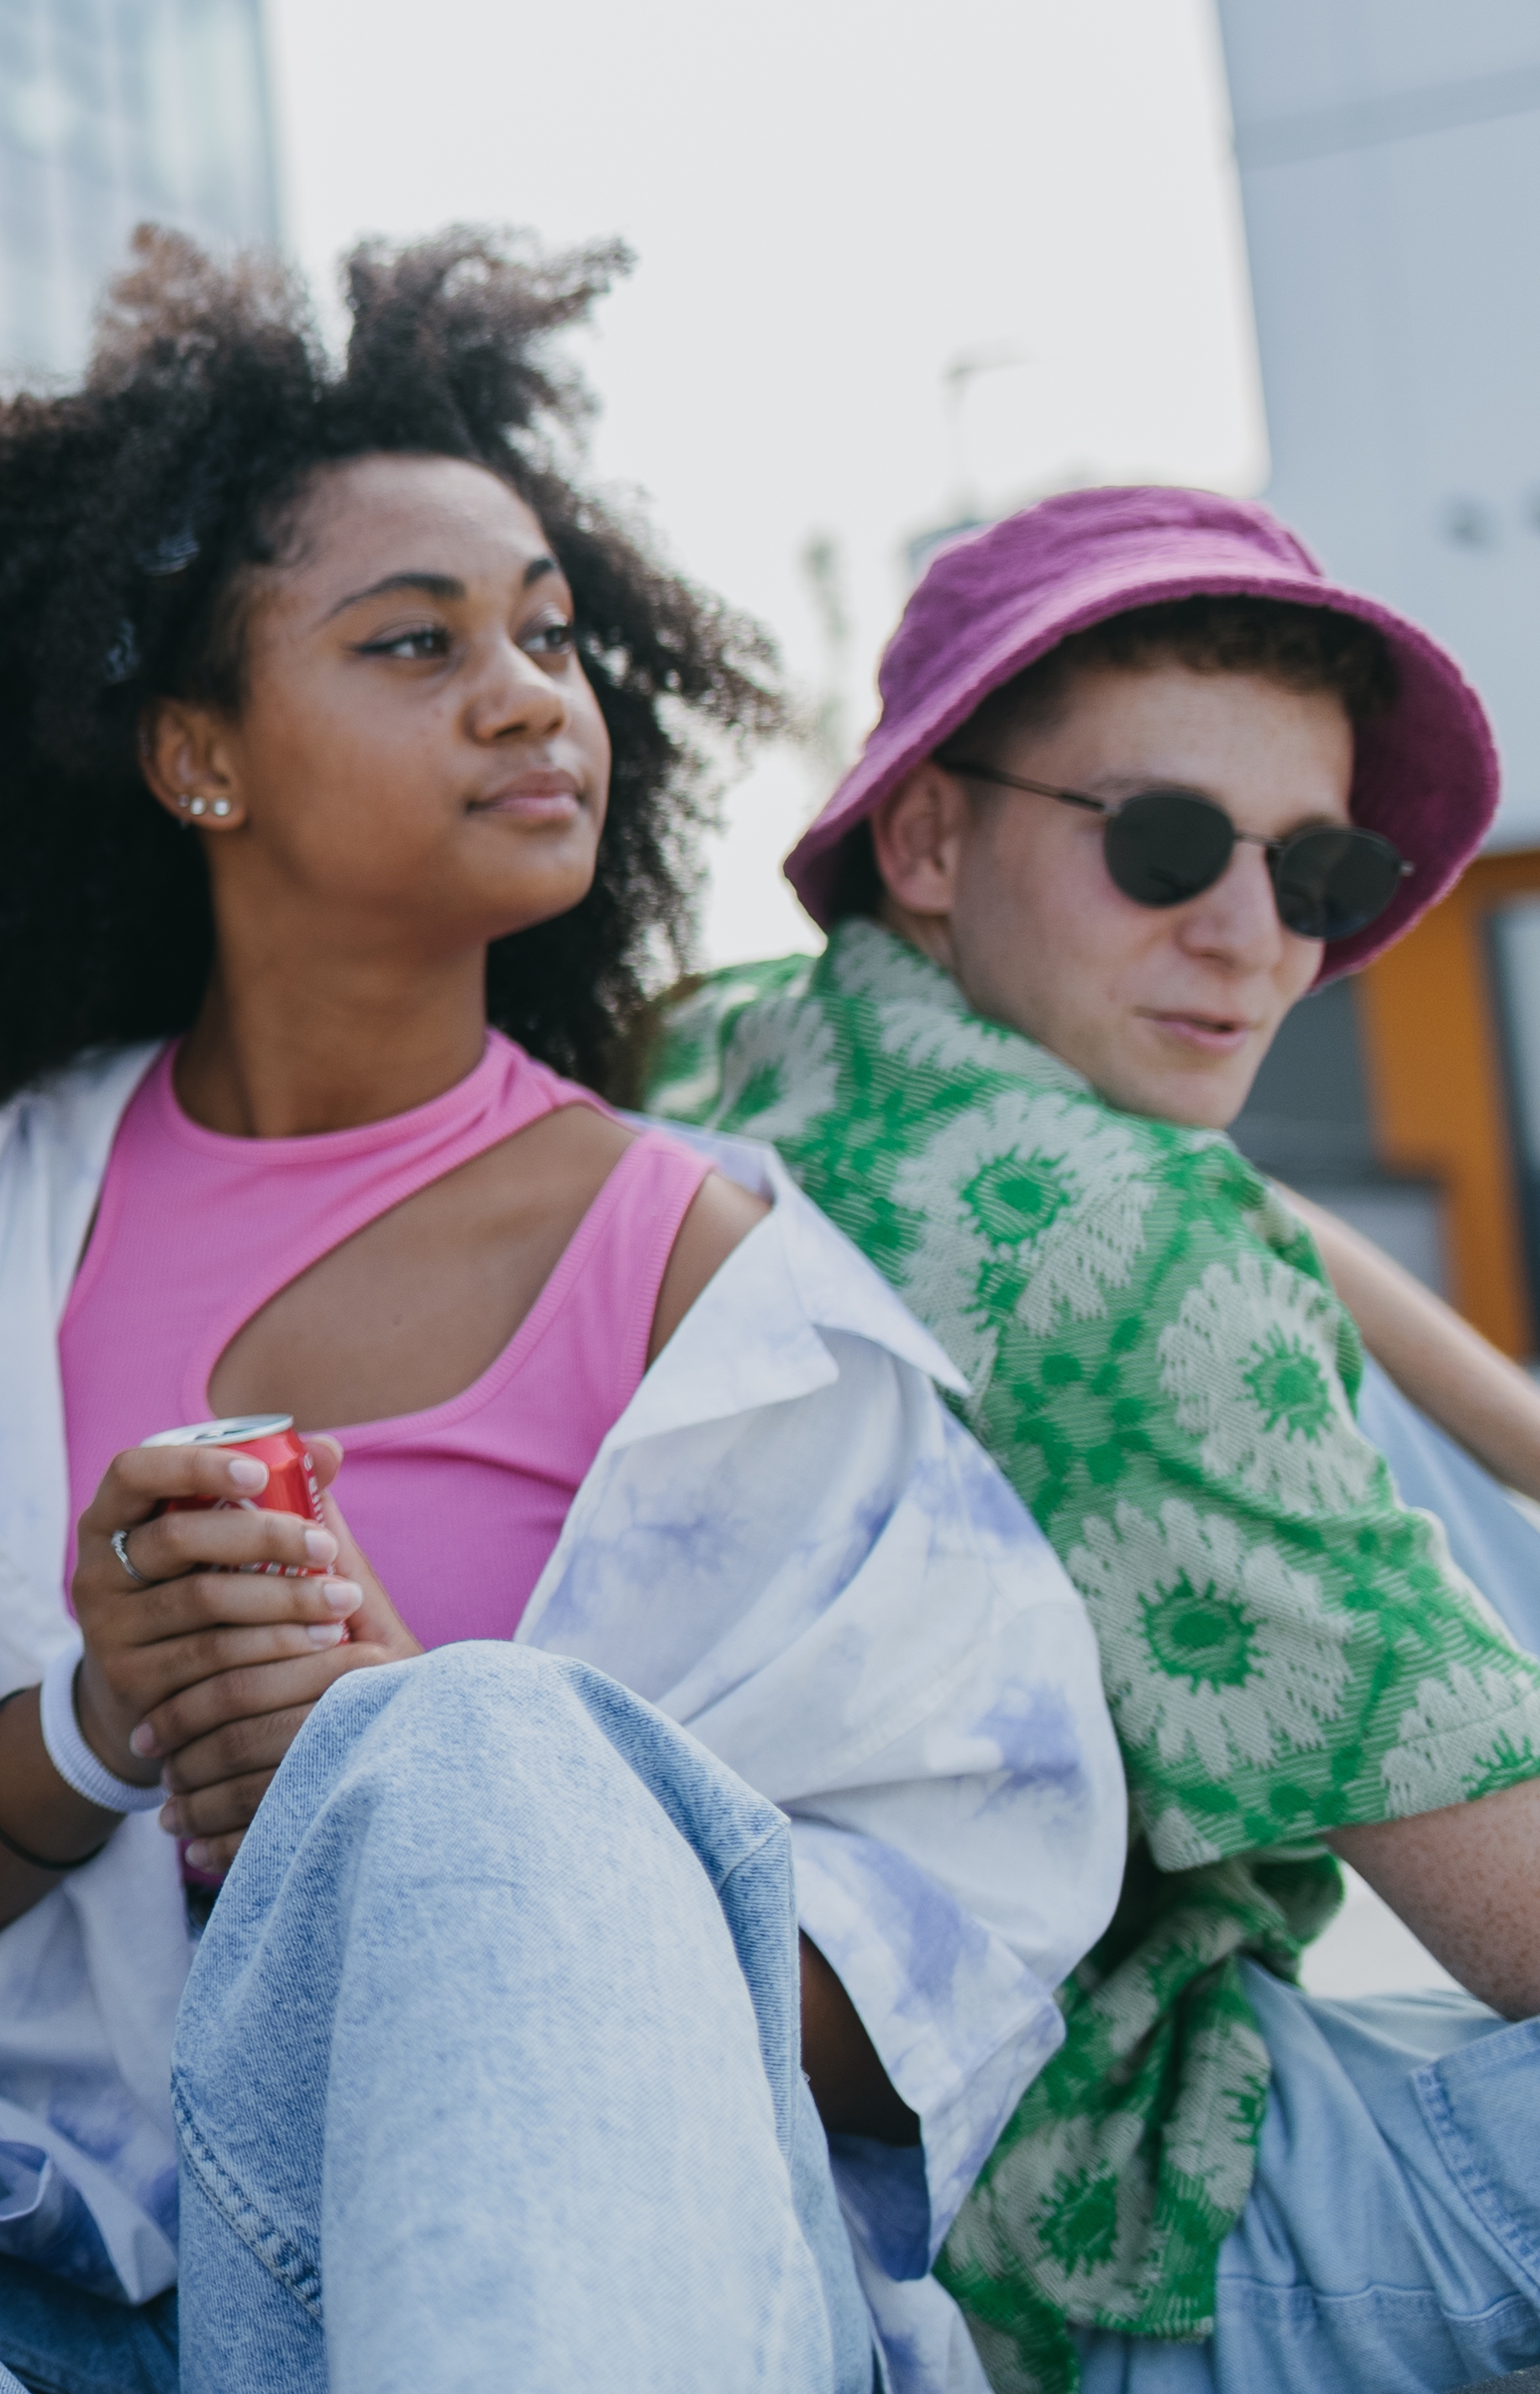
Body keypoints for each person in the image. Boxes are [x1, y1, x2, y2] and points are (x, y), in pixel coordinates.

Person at [0, 230, 1127, 2394]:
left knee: (477, 1750)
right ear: (200, 757)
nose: (531, 690)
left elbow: (970, 1928)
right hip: (3, 2255)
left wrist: (435, 1829)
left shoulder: (719, 1283)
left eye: (550, 636)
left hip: (523, 2277)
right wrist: (102, 1721)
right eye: (415, 639)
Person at [652, 484, 1540, 2394]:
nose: (1248, 939)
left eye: (1316, 878)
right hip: (1097, 2232)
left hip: (761, 2174)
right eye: (1161, 844)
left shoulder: (743, 1045)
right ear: (928, 830)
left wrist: (1514, 1428)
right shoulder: (1132, 1269)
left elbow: (1227, 1204)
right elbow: (1526, 1927)